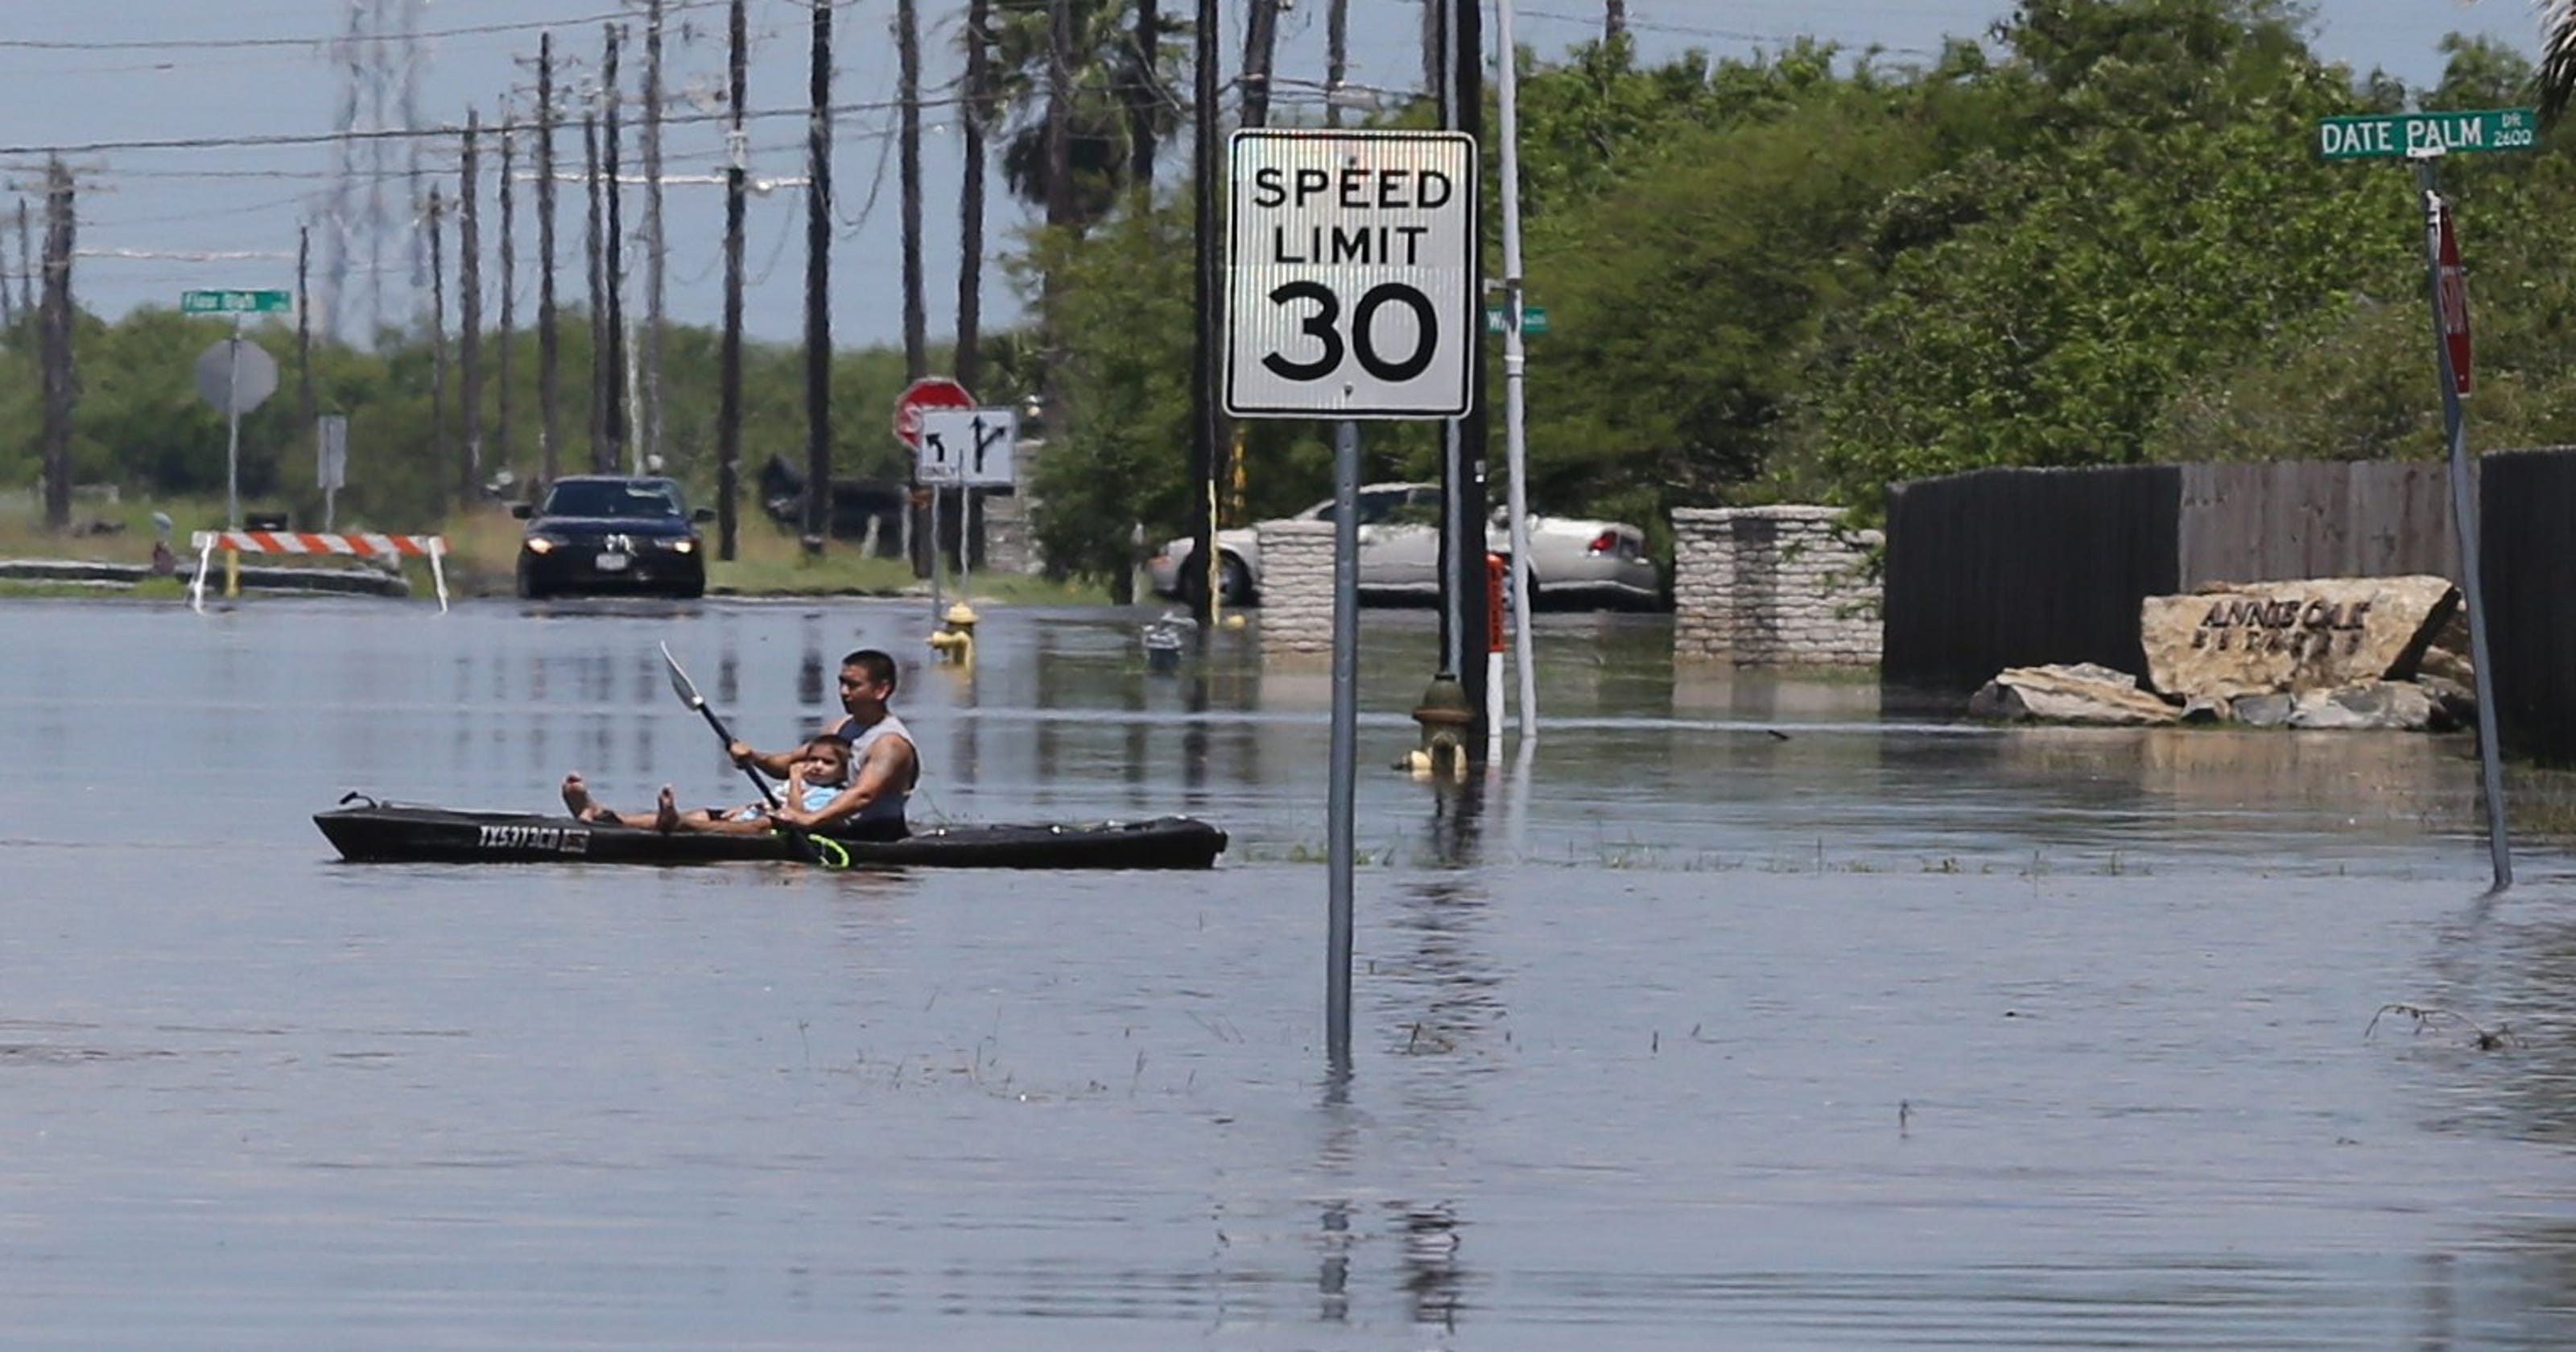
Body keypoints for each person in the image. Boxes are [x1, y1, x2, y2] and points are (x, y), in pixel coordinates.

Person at [726, 647, 919, 842]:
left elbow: (863, 795)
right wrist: (753, 757)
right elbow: (787, 765)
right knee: (699, 817)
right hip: (829, 823)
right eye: (842, 683)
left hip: (871, 832)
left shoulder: (891, 744)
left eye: (853, 685)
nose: (843, 692)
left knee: (761, 826)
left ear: (881, 690)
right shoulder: (839, 728)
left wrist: (809, 820)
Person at [561, 734, 856, 836]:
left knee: (759, 826)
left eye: (826, 763)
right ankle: (605, 816)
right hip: (750, 816)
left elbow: (797, 815)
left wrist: (794, 780)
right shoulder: (805, 781)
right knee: (703, 813)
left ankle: (678, 825)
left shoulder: (832, 794)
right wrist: (742, 808)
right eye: (812, 759)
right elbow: (765, 802)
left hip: (770, 829)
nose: (816, 766)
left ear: (842, 772)